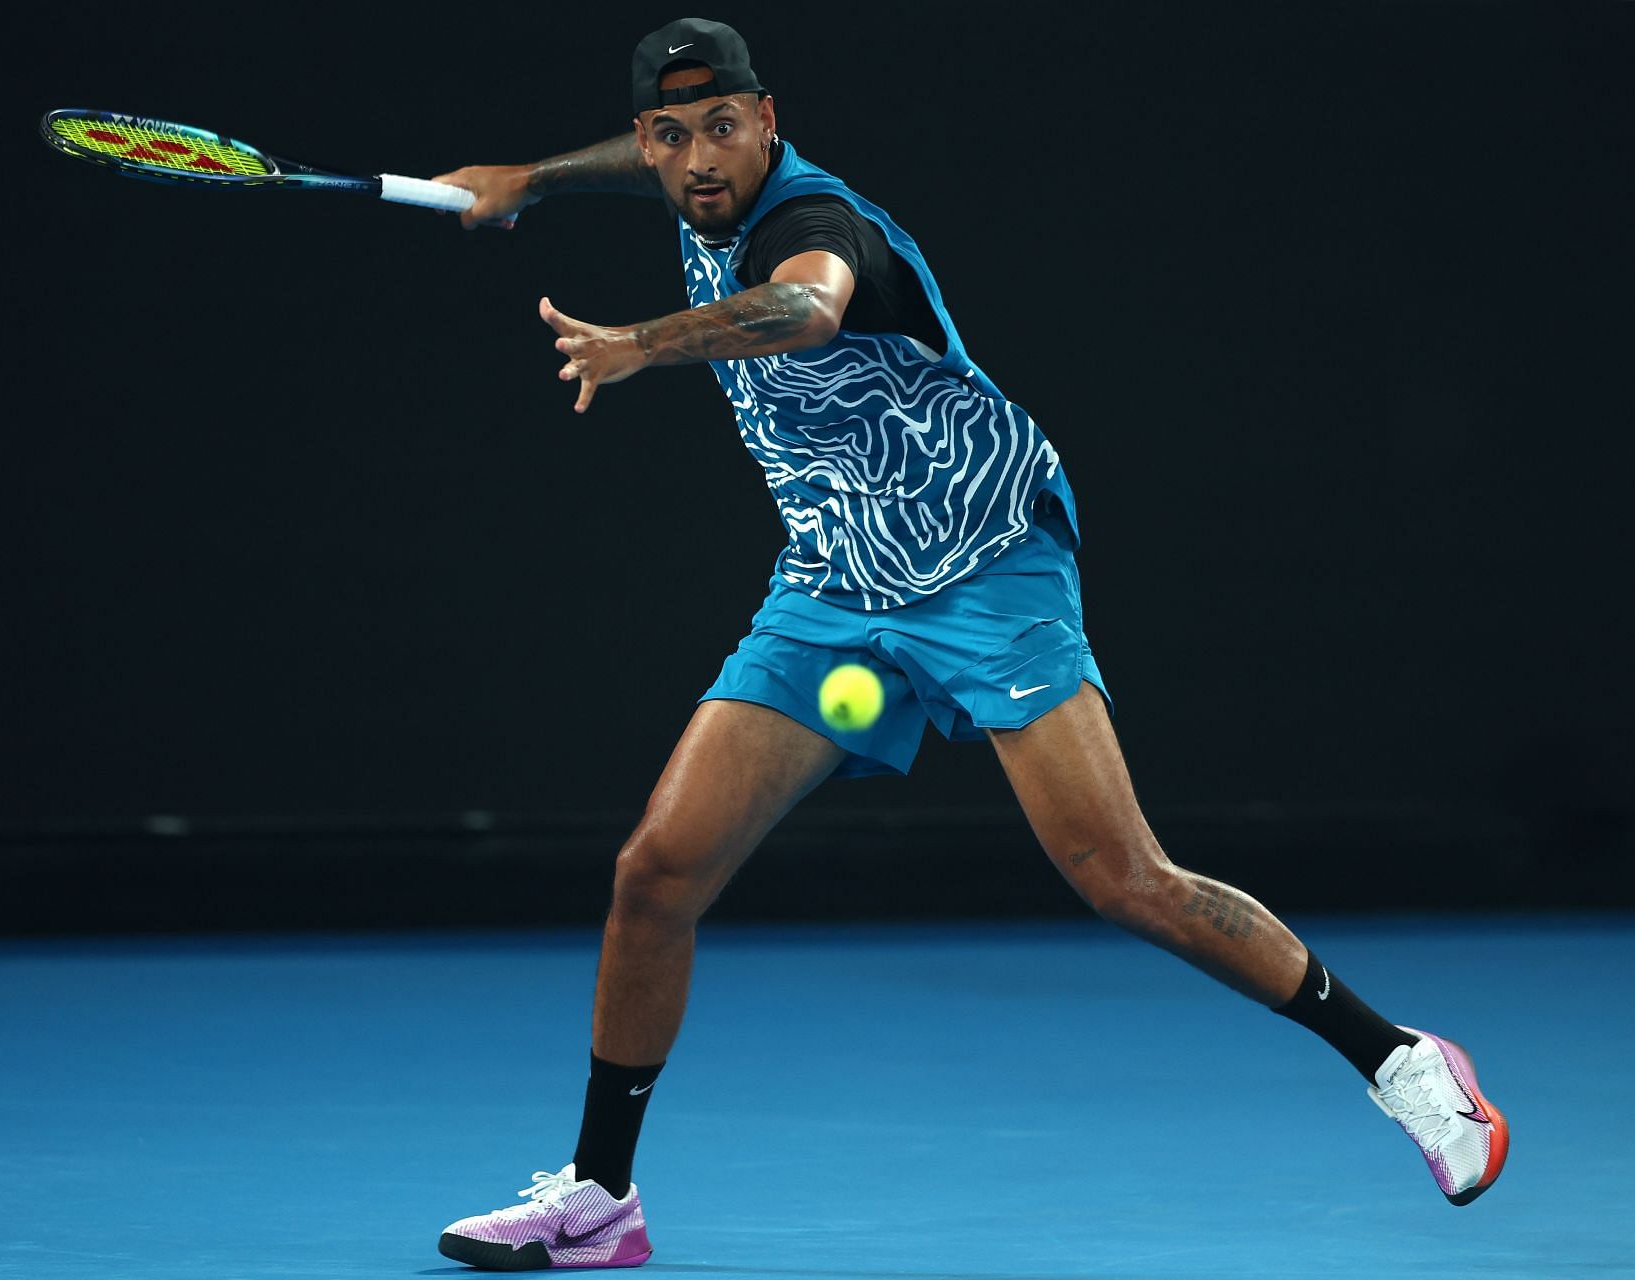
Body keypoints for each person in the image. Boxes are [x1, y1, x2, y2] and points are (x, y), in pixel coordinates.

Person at [430, 19, 1507, 1271]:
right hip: (839, 583)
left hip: (988, 563)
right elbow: (648, 152)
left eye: (724, 127)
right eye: (674, 136)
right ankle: (601, 1198)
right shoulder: (688, 167)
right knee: (657, 870)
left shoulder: (816, 228)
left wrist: (644, 344)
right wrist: (533, 178)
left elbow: (803, 310)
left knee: (1123, 876)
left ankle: (1401, 1060)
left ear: (770, 121)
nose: (696, 159)